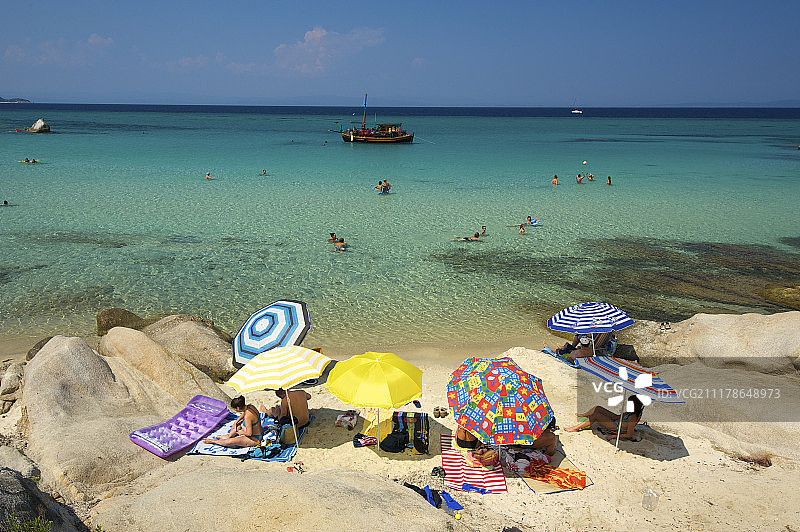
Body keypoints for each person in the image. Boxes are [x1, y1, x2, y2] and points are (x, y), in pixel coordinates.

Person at [564, 396, 645, 441]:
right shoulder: (630, 412)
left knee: (596, 415)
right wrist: (613, 416)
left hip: (617, 427)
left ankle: (575, 428)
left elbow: (629, 434)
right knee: (598, 408)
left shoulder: (632, 417)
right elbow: (617, 416)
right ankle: (584, 415)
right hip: (617, 420)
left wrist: (613, 436)